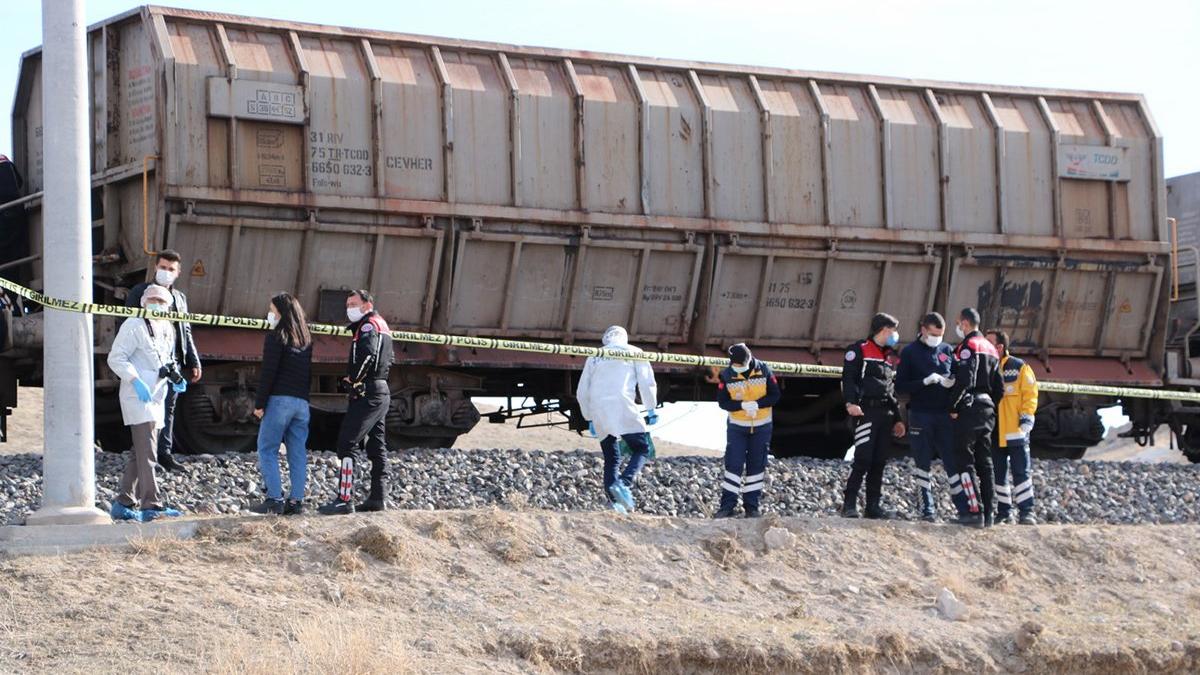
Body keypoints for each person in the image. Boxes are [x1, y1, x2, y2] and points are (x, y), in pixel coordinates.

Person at [106, 285, 186, 522]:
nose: (156, 305)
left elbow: (165, 360)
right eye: (152, 300)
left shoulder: (168, 329)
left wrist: (175, 376)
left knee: (138, 453)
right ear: (143, 302)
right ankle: (151, 505)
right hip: (139, 396)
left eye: (161, 302)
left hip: (157, 397)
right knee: (148, 453)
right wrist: (135, 379)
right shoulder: (134, 325)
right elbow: (116, 358)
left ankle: (123, 502)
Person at [125, 249, 202, 472]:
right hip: (147, 362)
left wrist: (194, 361)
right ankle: (145, 457)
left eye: (171, 269)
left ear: (178, 273)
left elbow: (185, 330)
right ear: (155, 268)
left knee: (167, 409)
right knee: (146, 411)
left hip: (173, 362)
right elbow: (129, 326)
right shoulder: (139, 293)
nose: (166, 272)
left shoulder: (180, 299)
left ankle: (164, 455)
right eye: (162, 267)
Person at [319, 290, 393, 515]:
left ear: (367, 304)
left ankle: (344, 498)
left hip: (368, 392)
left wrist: (354, 379)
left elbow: (368, 355)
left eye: (353, 303)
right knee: (376, 445)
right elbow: (388, 359)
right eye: (347, 304)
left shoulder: (368, 325)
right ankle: (378, 498)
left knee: (347, 443)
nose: (349, 308)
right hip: (381, 390)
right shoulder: (383, 324)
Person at [575, 325, 659, 513]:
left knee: (612, 458)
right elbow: (647, 383)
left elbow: (582, 391)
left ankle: (616, 504)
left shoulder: (595, 355)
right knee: (641, 448)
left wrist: (589, 417)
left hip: (599, 407)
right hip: (623, 404)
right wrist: (651, 409)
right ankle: (624, 483)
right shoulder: (635, 352)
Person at [895, 312, 969, 522]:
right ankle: (926, 510)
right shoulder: (910, 352)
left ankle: (963, 509)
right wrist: (924, 382)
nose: (937, 338)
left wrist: (951, 382)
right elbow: (900, 386)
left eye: (941, 334)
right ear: (924, 329)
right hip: (920, 414)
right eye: (934, 333)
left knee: (951, 461)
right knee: (922, 462)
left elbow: (957, 375)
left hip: (943, 415)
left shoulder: (946, 350)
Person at [250, 293, 313, 516]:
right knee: (297, 452)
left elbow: (269, 372)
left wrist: (259, 403)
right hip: (301, 404)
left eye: (272, 311)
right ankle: (296, 501)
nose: (270, 315)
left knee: (267, 449)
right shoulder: (306, 338)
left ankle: (274, 499)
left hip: (279, 401)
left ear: (281, 313)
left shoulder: (276, 337)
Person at [841, 314, 906, 519]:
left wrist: (897, 418)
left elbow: (890, 389)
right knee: (863, 459)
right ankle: (849, 505)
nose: (895, 335)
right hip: (866, 412)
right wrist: (851, 403)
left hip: (885, 413)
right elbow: (849, 378)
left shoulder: (889, 355)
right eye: (892, 330)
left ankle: (873, 506)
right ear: (883, 330)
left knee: (879, 461)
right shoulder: (859, 350)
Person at [947, 308, 1005, 528]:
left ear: (964, 324)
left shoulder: (967, 347)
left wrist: (953, 405)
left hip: (969, 408)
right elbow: (999, 388)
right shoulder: (991, 349)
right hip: (987, 409)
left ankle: (974, 511)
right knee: (986, 462)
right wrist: (989, 405)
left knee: (964, 460)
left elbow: (965, 379)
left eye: (959, 324)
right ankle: (990, 513)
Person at [714, 343, 781, 518]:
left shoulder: (764, 370)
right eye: (736, 366)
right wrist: (741, 405)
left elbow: (775, 395)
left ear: (749, 359)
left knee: (756, 466)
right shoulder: (727, 375)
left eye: (741, 365)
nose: (738, 368)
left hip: (762, 427)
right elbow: (722, 402)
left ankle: (752, 507)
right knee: (733, 465)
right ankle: (727, 506)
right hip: (737, 427)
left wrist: (758, 404)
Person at [985, 329, 1039, 525]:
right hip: (994, 430)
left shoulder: (1018, 367)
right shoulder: (986, 367)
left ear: (1000, 347)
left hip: (1015, 429)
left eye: (989, 342)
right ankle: (1004, 512)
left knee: (1020, 471)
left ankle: (1027, 512)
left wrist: (1026, 418)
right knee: (998, 473)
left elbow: (1030, 394)